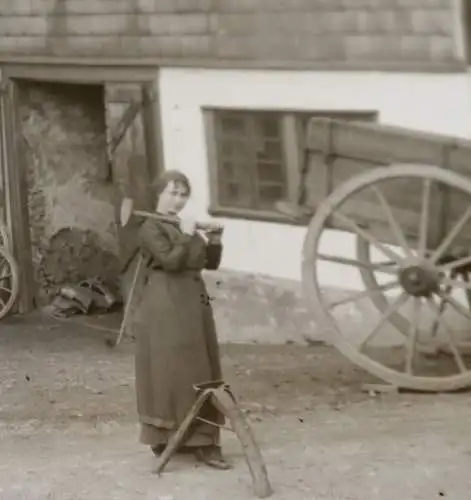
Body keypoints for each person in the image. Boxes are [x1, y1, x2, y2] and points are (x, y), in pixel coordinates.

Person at [127, 169, 230, 470]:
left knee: (201, 368)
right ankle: (165, 437)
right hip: (164, 305)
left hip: (193, 303)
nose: (178, 199)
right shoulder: (150, 228)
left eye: (183, 194)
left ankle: (205, 441)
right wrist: (186, 234)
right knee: (169, 372)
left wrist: (214, 240)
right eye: (172, 192)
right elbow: (171, 261)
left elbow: (208, 263)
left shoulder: (183, 224)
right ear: (158, 194)